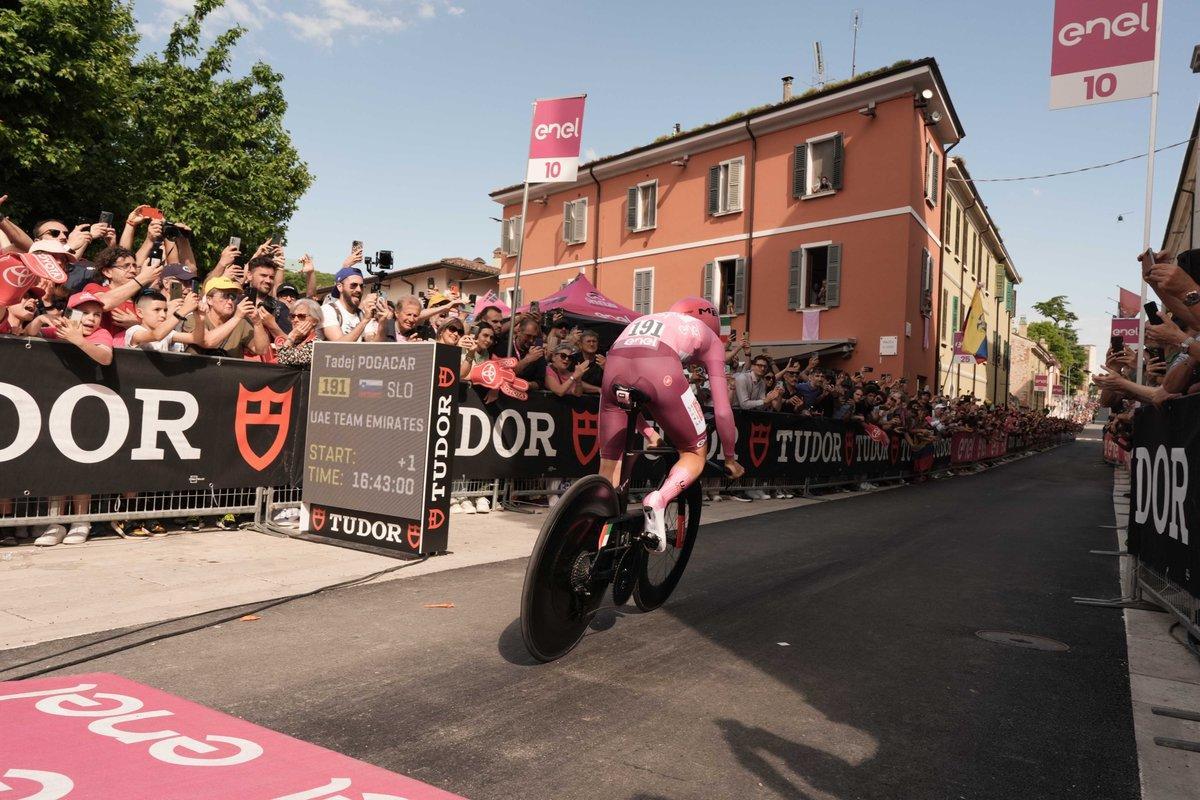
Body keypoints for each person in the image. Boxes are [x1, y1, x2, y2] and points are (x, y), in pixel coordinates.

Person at [597, 297, 744, 551]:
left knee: (610, 465)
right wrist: (730, 457)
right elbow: (721, 412)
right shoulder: (709, 336)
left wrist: (649, 433)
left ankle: (593, 529)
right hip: (659, 369)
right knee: (693, 451)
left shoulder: (647, 318)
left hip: (614, 367)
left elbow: (621, 399)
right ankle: (659, 499)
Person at [321, 267, 385, 342]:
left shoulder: (363, 314)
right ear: (340, 287)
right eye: (353, 285)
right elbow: (339, 346)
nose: (359, 290)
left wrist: (383, 322)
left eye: (361, 286)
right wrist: (365, 320)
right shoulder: (327, 310)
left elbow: (374, 346)